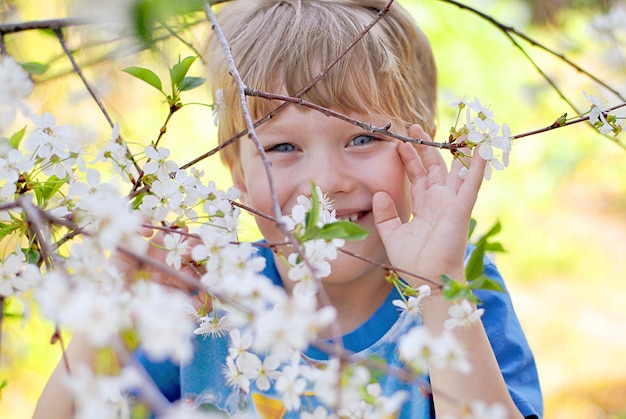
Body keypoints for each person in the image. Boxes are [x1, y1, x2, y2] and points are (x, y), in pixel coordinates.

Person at [35, 0, 542, 418]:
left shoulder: (460, 291)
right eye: (281, 148)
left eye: (362, 137)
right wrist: (111, 313)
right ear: (238, 176)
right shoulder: (208, 303)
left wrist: (437, 290)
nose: (325, 185)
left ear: (422, 152)